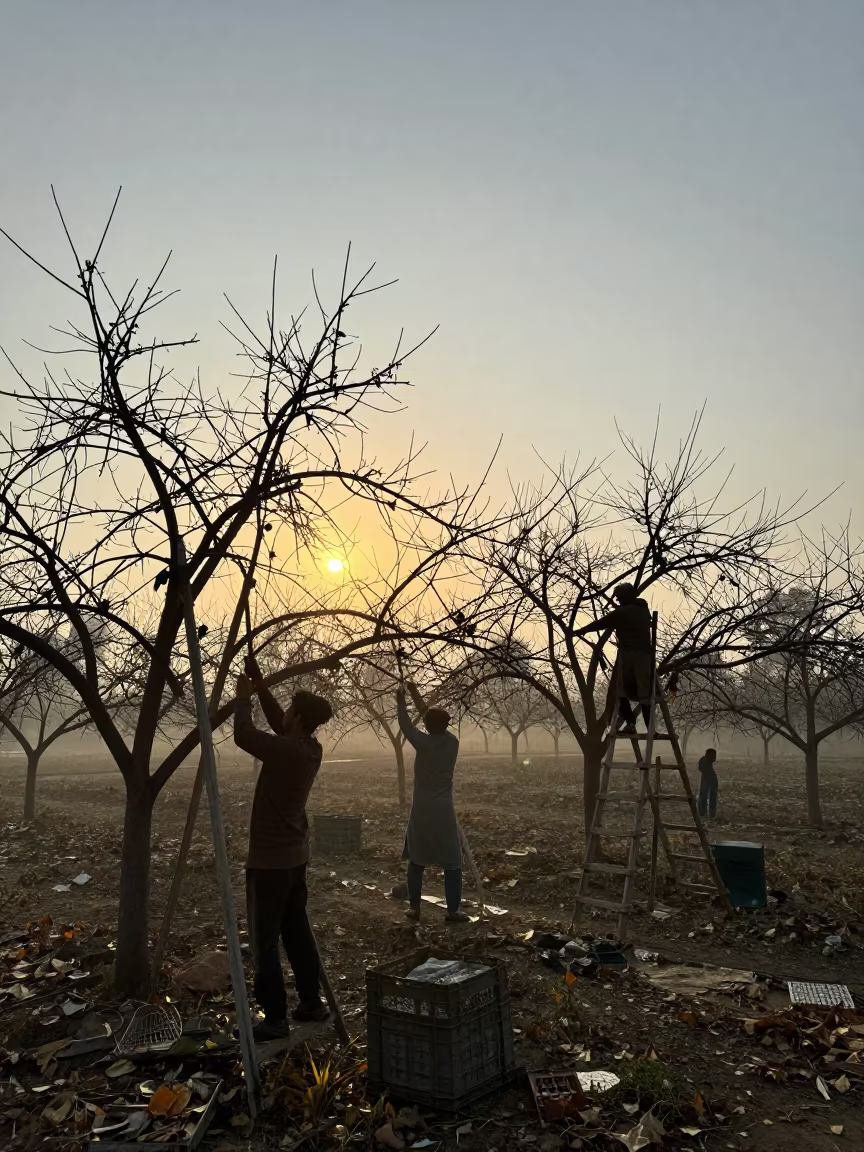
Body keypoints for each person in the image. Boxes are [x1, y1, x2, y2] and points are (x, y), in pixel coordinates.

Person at [233, 658, 333, 1042]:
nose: (284, 715)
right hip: (294, 857)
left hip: (271, 862)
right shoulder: (309, 749)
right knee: (296, 931)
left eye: (290, 710)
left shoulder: (287, 752)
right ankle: (311, 1001)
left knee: (264, 942)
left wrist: (244, 700)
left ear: (299, 718)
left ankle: (274, 1019)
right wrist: (260, 686)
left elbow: (246, 735)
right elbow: (279, 726)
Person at [396, 681, 470, 923]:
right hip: (444, 809)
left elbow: (407, 725)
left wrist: (401, 701)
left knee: (417, 859)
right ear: (446, 724)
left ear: (427, 726)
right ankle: (453, 911)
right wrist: (415, 692)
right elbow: (428, 716)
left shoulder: (423, 743)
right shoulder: (452, 743)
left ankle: (415, 909)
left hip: (421, 809)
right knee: (452, 862)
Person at [574, 583, 654, 735]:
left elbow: (601, 623)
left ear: (625, 597)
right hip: (645, 658)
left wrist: (580, 631)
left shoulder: (624, 612)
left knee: (619, 691)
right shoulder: (643, 610)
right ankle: (650, 728)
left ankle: (630, 723)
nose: (617, 601)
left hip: (630, 657)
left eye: (619, 598)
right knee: (644, 694)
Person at [697, 747, 719, 819]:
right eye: (713, 756)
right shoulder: (705, 762)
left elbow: (700, 768)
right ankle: (709, 813)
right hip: (709, 779)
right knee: (709, 797)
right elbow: (703, 769)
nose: (714, 759)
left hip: (706, 778)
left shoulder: (703, 760)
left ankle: (703, 812)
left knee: (703, 796)